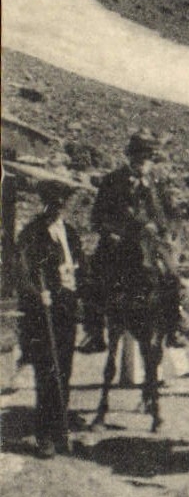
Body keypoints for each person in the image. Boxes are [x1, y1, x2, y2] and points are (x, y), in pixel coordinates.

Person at [85, 130, 183, 350]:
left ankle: (174, 328)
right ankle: (95, 333)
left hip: (152, 245)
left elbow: (173, 214)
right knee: (94, 277)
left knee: (174, 277)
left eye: (148, 156)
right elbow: (98, 218)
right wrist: (114, 232)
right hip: (120, 243)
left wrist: (169, 233)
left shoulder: (158, 184)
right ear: (131, 156)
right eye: (139, 155)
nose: (143, 160)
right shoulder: (112, 180)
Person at [16, 173, 85, 458]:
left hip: (66, 307)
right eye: (51, 203)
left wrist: (78, 279)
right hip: (42, 311)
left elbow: (80, 263)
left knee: (64, 370)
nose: (56, 208)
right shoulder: (31, 233)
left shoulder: (70, 232)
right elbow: (22, 272)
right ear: (43, 202)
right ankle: (44, 436)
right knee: (47, 371)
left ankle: (60, 430)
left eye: (60, 203)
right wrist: (37, 294)